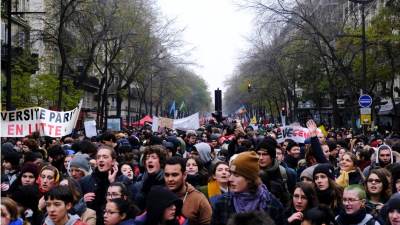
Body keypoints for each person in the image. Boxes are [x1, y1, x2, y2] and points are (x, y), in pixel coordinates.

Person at [211, 151, 284, 225]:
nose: (230, 179)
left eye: (236, 175)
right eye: (231, 173)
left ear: (249, 178)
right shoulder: (222, 203)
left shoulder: (272, 204)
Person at [80, 145, 128, 225]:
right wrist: (82, 201)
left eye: (105, 157)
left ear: (113, 161)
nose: (101, 160)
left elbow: (127, 205)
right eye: (98, 157)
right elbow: (75, 207)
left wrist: (112, 182)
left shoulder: (123, 180)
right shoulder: (85, 181)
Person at [164, 157, 212, 225]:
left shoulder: (199, 199)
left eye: (174, 175)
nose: (170, 179)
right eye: (167, 175)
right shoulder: (159, 195)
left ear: (184, 175)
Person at [257, 136, 295, 204]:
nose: (261, 158)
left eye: (265, 154)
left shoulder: (285, 173)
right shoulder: (251, 172)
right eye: (259, 154)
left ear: (272, 156)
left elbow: (289, 199)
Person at [132, 145, 166, 211]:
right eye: (147, 158)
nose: (149, 160)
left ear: (161, 162)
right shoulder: (139, 183)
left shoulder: (168, 182)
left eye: (153, 157)